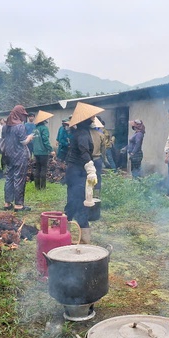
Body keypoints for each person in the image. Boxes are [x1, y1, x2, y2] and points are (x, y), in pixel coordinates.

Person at [65, 102, 103, 243]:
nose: (94, 119)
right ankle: (69, 237)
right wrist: (90, 168)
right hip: (77, 173)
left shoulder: (83, 131)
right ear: (85, 119)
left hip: (77, 173)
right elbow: (83, 150)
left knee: (75, 203)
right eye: (92, 117)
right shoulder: (81, 133)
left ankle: (69, 236)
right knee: (77, 205)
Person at [1, 105, 35, 212]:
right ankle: (19, 205)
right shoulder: (20, 126)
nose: (24, 117)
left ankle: (7, 203)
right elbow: (23, 141)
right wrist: (29, 137)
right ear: (18, 114)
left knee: (9, 178)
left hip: (8, 156)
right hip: (20, 156)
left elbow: (4, 139)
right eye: (23, 115)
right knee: (19, 179)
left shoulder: (5, 126)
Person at [32, 110, 54, 190]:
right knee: (43, 168)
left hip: (36, 151)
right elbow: (45, 140)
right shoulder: (44, 128)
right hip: (43, 152)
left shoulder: (35, 129)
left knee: (37, 168)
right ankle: (43, 187)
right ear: (44, 120)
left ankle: (37, 187)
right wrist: (51, 149)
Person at [89, 117, 107, 197]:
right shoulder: (101, 134)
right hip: (97, 159)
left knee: (88, 176)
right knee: (98, 176)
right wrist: (103, 159)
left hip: (88, 160)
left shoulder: (86, 134)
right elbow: (103, 149)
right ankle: (97, 194)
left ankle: (89, 192)